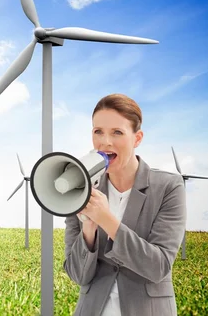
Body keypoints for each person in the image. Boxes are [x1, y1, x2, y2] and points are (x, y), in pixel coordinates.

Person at [63, 93, 186, 316]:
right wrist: (88, 231)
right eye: (97, 131)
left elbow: (158, 266)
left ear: (137, 138)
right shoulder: (81, 188)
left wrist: (106, 220)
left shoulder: (169, 186)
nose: (105, 142)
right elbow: (77, 275)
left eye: (117, 132)